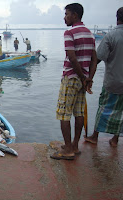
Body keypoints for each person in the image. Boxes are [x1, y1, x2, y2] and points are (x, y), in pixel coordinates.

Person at [84, 7, 123, 147]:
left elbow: (97, 59)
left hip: (112, 81)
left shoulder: (111, 36)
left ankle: (94, 136)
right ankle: (115, 139)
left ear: (117, 18)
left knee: (103, 108)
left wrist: (88, 78)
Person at [51, 3, 97, 160]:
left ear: (75, 15)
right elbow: (94, 59)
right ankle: (75, 145)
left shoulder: (69, 32)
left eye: (67, 14)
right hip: (82, 80)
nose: (65, 17)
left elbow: (72, 57)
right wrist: (88, 78)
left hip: (71, 77)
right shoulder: (90, 34)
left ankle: (68, 149)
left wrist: (83, 78)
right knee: (78, 112)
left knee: (64, 113)